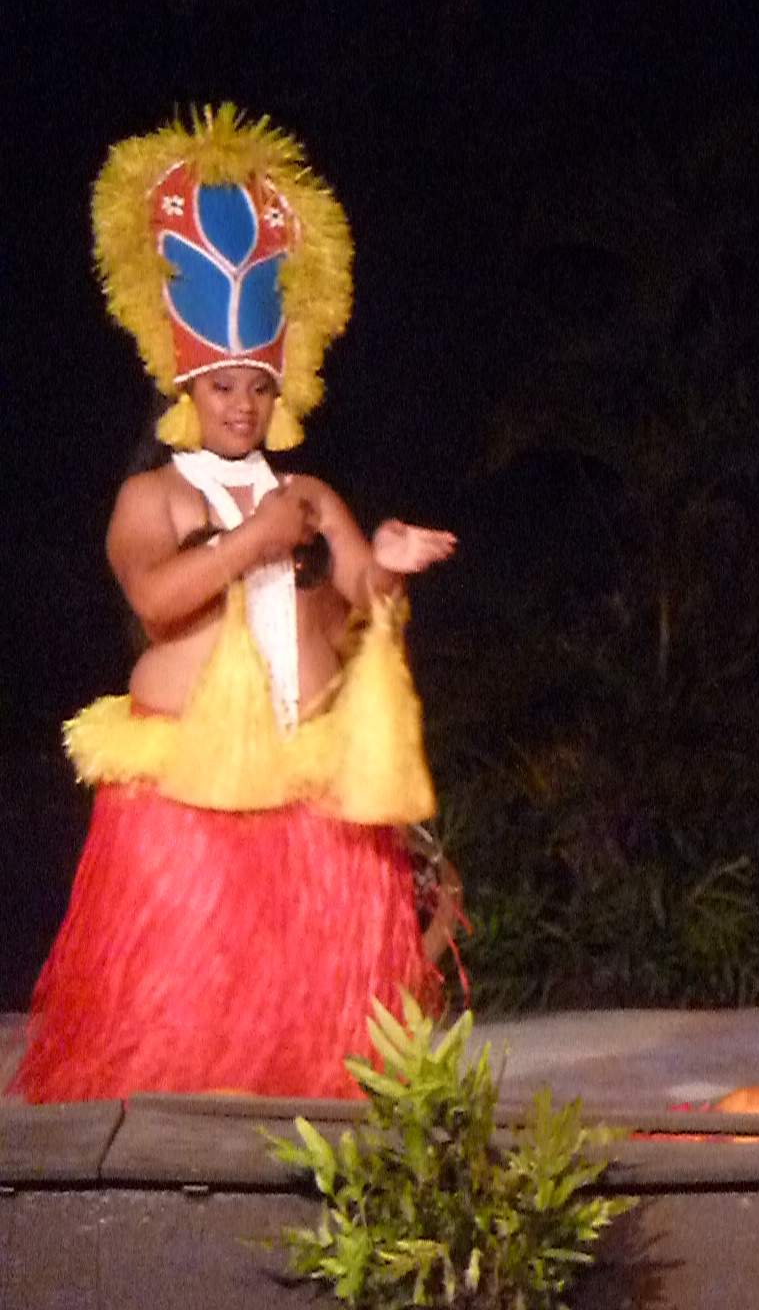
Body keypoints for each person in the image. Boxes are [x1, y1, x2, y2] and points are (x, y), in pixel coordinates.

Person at [7, 105, 456, 1103]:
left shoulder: (310, 493)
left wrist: (380, 561)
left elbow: (352, 608)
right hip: (185, 792)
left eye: (256, 386)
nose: (242, 405)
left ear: (278, 386)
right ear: (188, 389)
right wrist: (249, 545)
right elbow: (156, 595)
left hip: (305, 780)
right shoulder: (152, 496)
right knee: (180, 1019)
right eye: (222, 388)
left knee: (314, 1028)